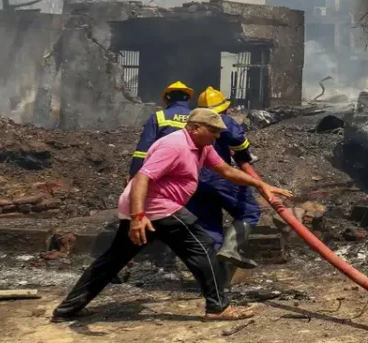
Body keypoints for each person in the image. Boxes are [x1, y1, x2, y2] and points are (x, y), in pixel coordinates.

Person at [52, 109, 292, 321]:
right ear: (195, 128)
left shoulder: (202, 146)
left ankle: (68, 308)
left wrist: (261, 185)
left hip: (148, 208)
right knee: (203, 247)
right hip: (157, 208)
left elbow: (226, 170)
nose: (217, 136)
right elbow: (142, 177)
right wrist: (138, 217)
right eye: (213, 131)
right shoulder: (174, 146)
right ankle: (218, 307)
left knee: (113, 259)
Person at [190, 86, 262, 272]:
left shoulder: (193, 125)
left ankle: (215, 273)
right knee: (249, 211)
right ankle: (230, 248)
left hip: (195, 180)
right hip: (219, 176)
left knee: (209, 223)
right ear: (224, 108)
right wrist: (244, 157)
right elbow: (238, 140)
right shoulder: (222, 120)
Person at [129, 81, 196, 178]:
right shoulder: (197, 118)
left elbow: (143, 150)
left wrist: (134, 174)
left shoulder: (158, 117)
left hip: (163, 171)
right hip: (191, 172)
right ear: (188, 98)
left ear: (167, 99)